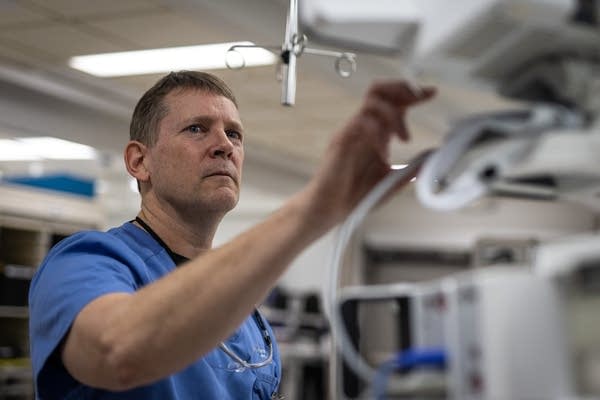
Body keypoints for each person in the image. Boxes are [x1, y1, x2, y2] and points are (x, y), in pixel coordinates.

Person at [28, 70, 435, 399]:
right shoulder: (85, 262)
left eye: (234, 134)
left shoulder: (241, 308)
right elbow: (117, 350)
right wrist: (315, 209)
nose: (224, 145)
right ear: (139, 161)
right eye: (196, 129)